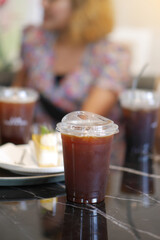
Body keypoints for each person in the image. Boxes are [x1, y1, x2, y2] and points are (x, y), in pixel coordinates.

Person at [14, 0, 131, 126]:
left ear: (82, 5)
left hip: (83, 143)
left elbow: (85, 123)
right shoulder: (34, 41)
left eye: (52, 0)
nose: (43, 4)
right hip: (34, 142)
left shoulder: (113, 55)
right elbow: (15, 99)